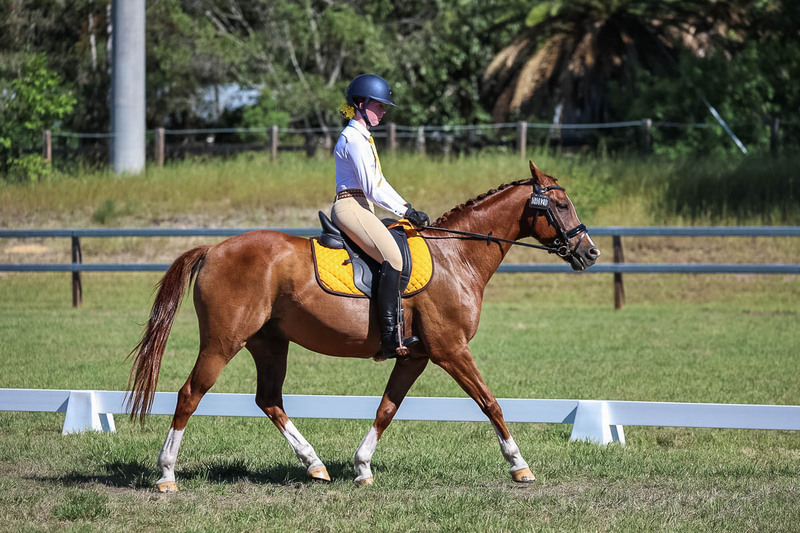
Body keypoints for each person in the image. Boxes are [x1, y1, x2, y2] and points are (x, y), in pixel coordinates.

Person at [332, 73, 429, 358]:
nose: (384, 111)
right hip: (351, 206)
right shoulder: (354, 139)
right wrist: (405, 211)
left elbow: (380, 182)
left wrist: (407, 208)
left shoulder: (364, 138)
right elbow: (372, 188)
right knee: (393, 257)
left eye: (384, 106)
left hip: (362, 207)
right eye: (379, 105)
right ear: (360, 104)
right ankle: (389, 337)